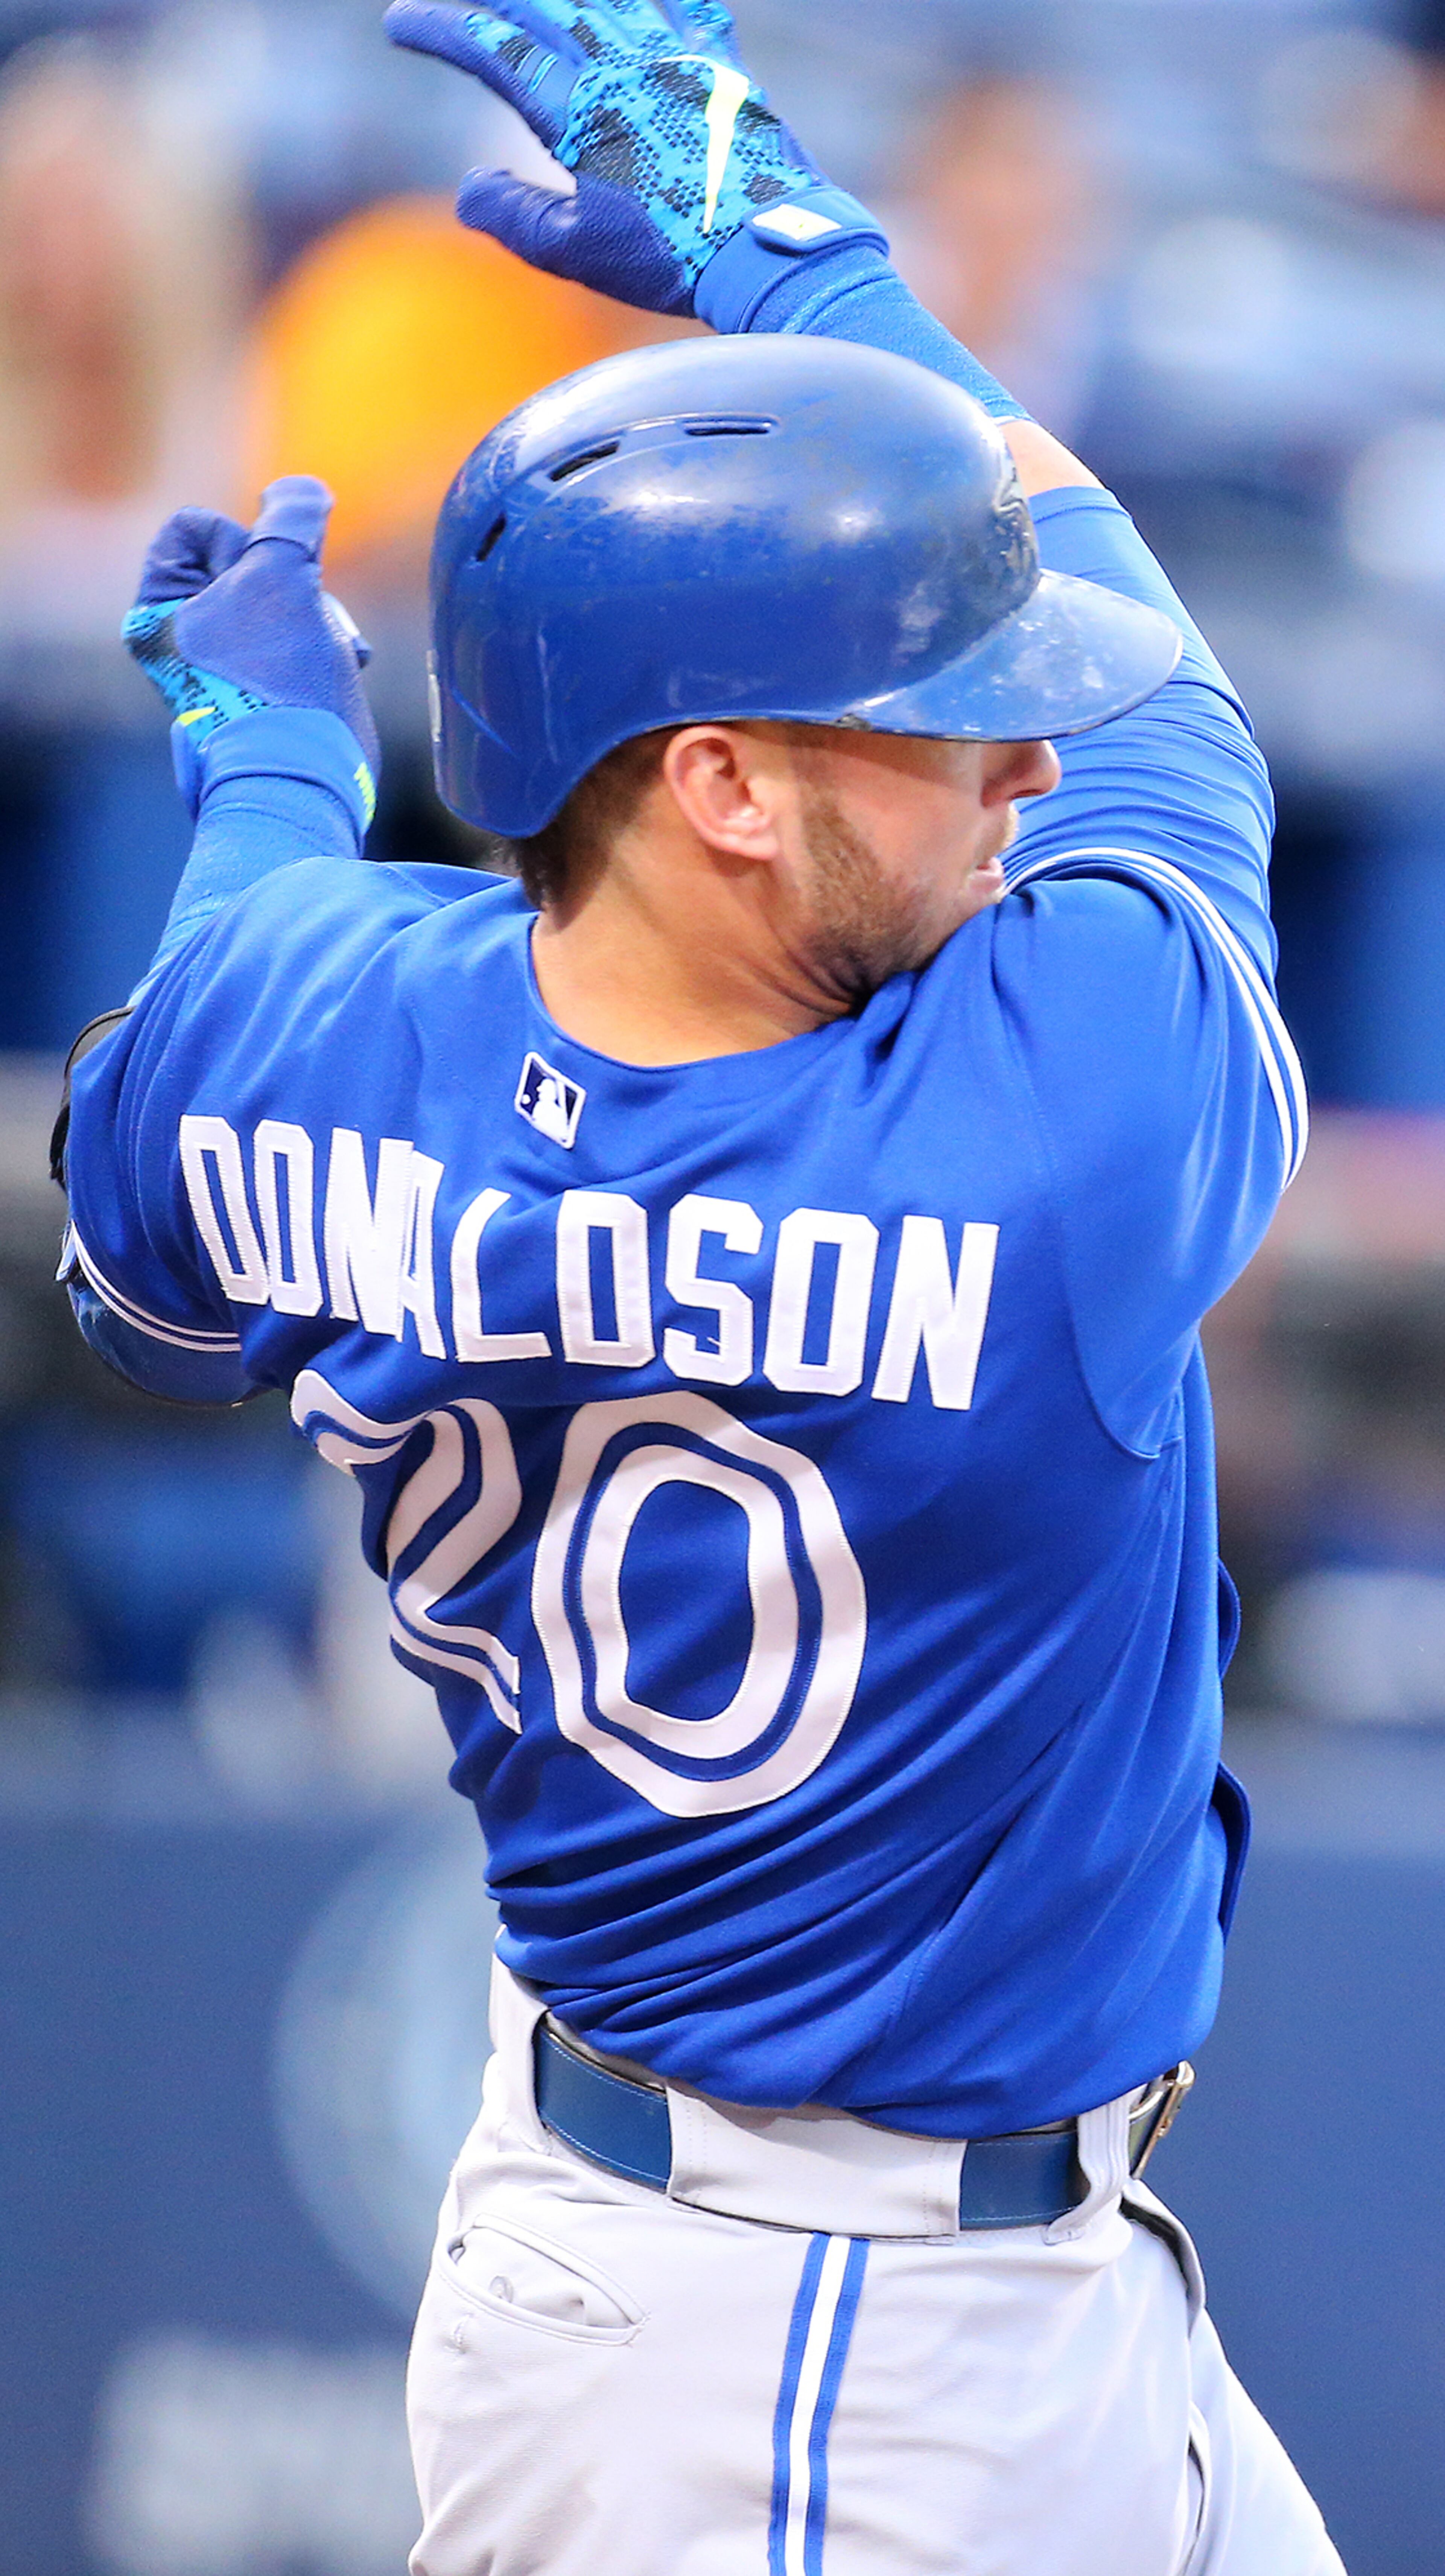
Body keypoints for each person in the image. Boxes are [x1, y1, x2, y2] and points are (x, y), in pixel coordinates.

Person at [55, 2, 1341, 2568]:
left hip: (744, 2251)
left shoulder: (309, 1022)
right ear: (724, 785)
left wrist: (269, 799)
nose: (1025, 761)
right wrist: (818, 263)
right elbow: (1167, 663)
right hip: (817, 2375)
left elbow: (147, 1253)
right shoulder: (1044, 1126)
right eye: (937, 716)